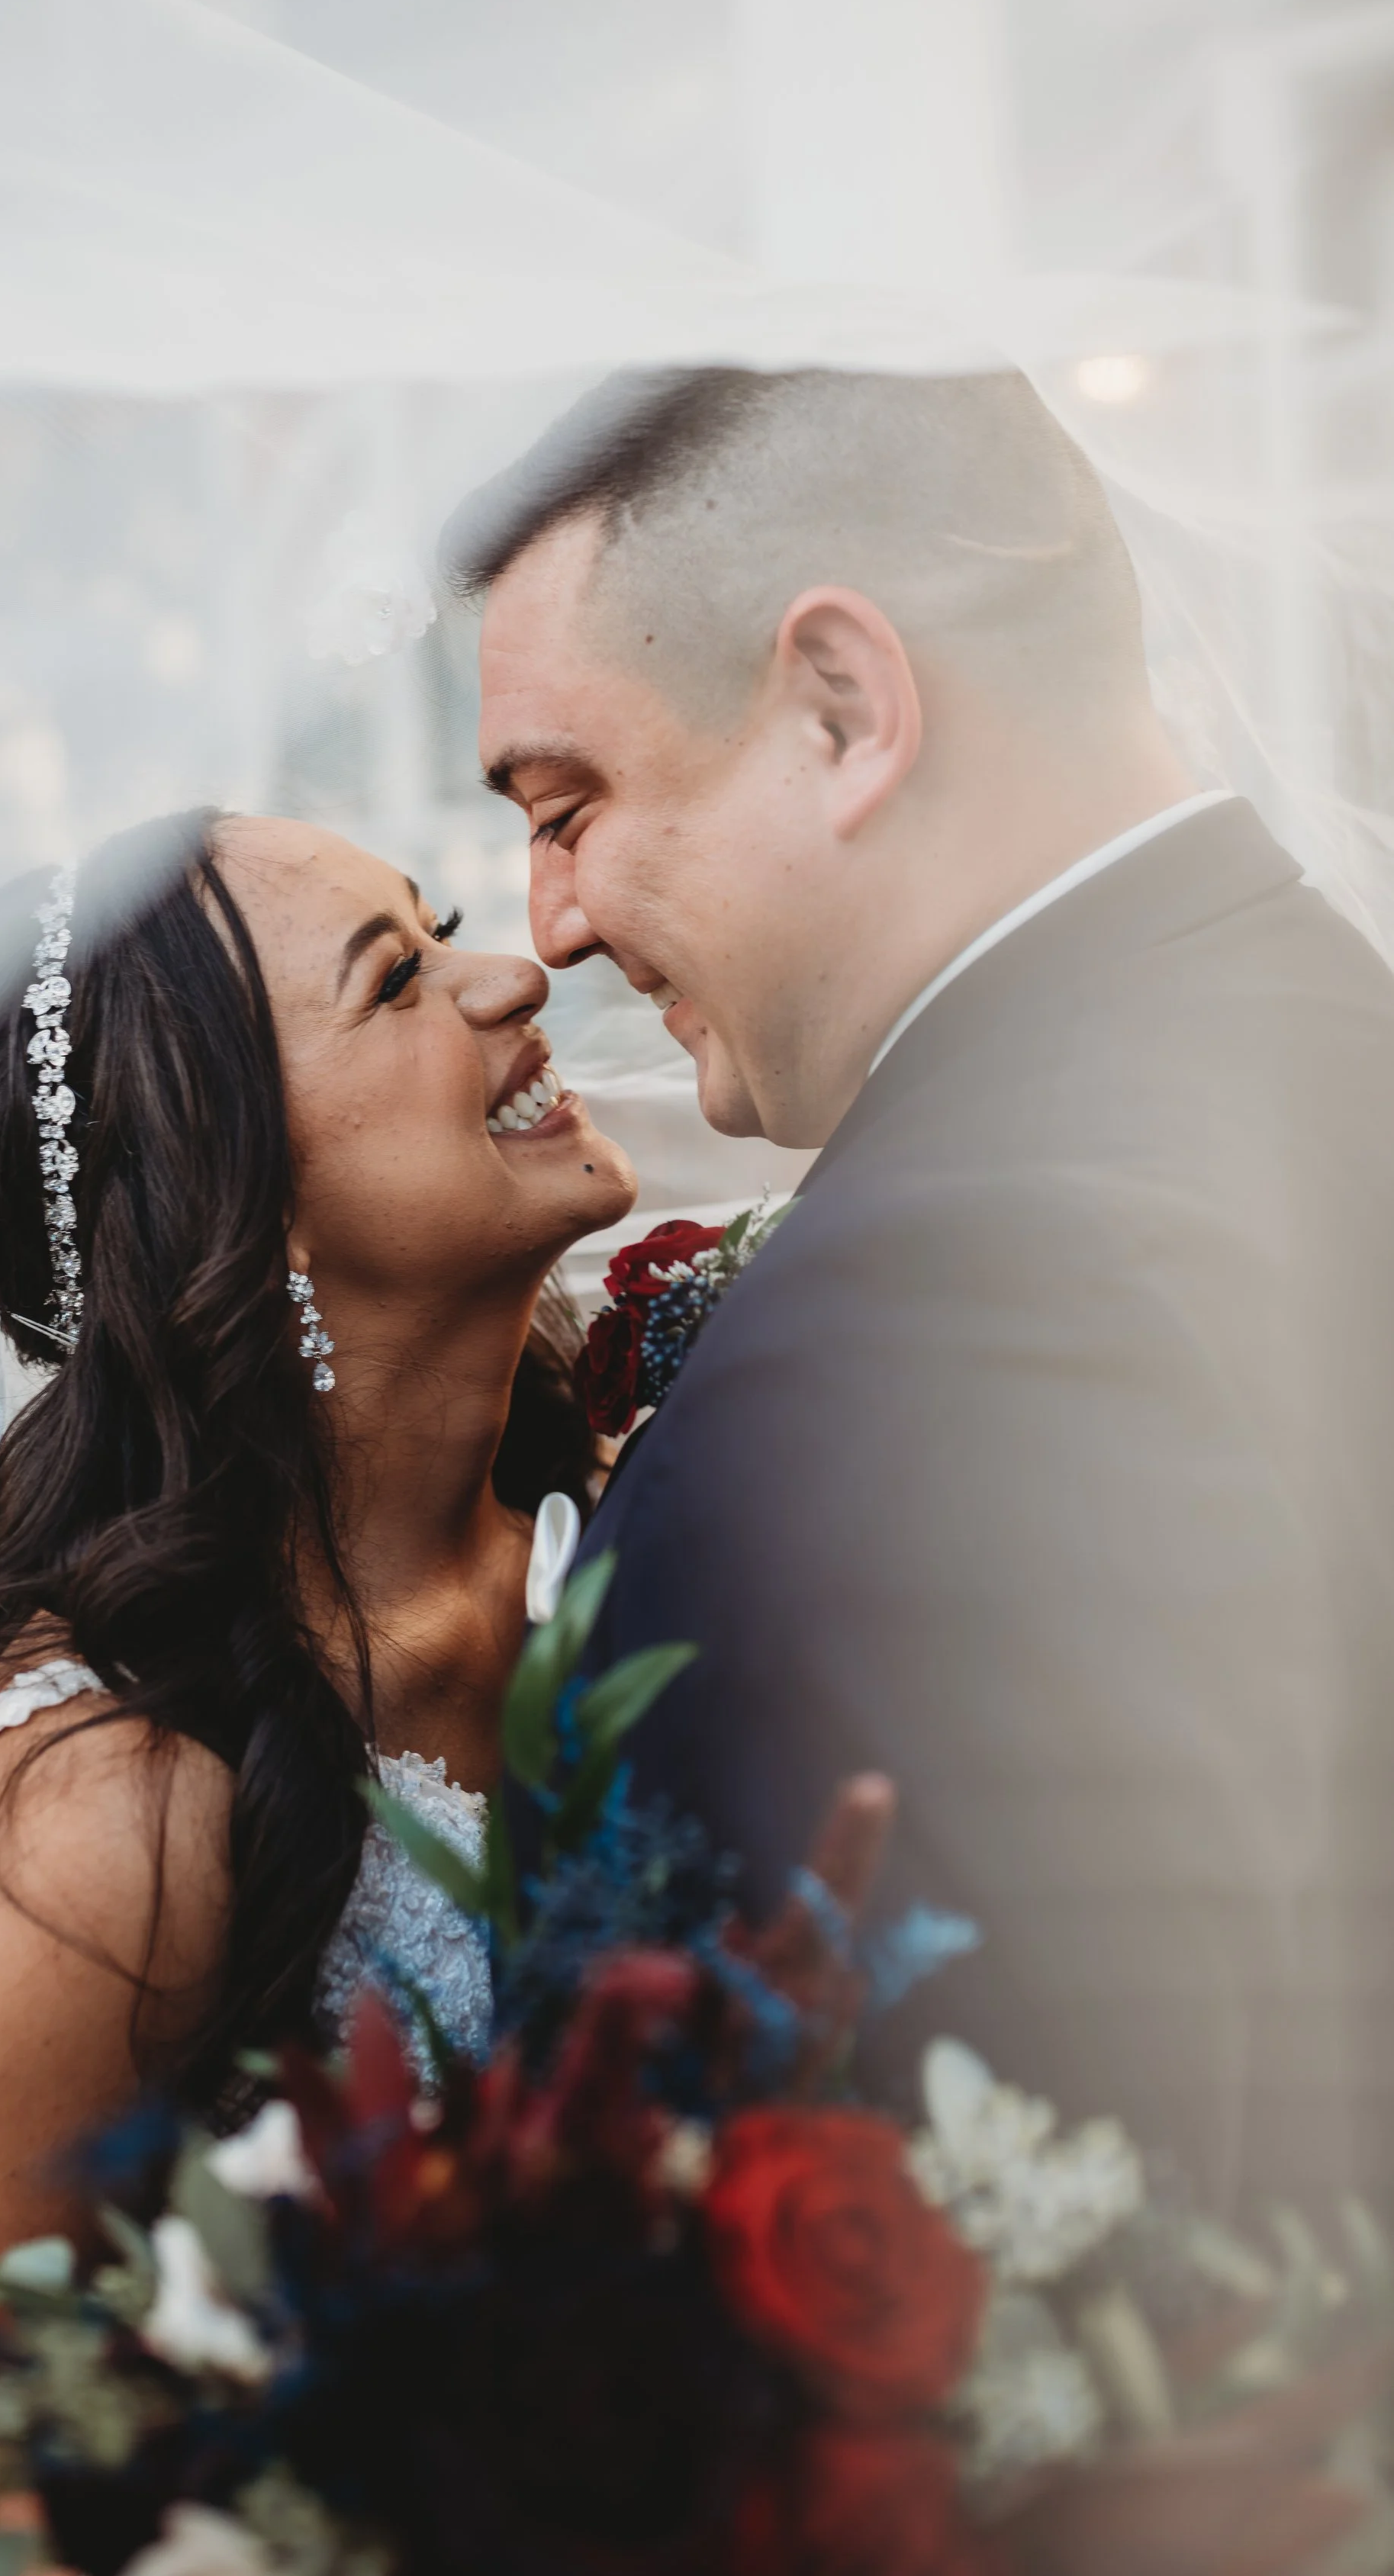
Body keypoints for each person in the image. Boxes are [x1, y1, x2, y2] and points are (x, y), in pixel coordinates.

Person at [453, 362, 1394, 2224]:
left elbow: (1020, 2252)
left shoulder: (925, 1339)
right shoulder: (1327, 1037)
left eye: (567, 806)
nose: (544, 923)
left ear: (840, 709)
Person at [0, 808, 637, 2576]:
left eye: (442, 924)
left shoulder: (641, 1504)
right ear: (235, 1204)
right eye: (398, 979)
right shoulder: (105, 1809)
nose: (514, 974)